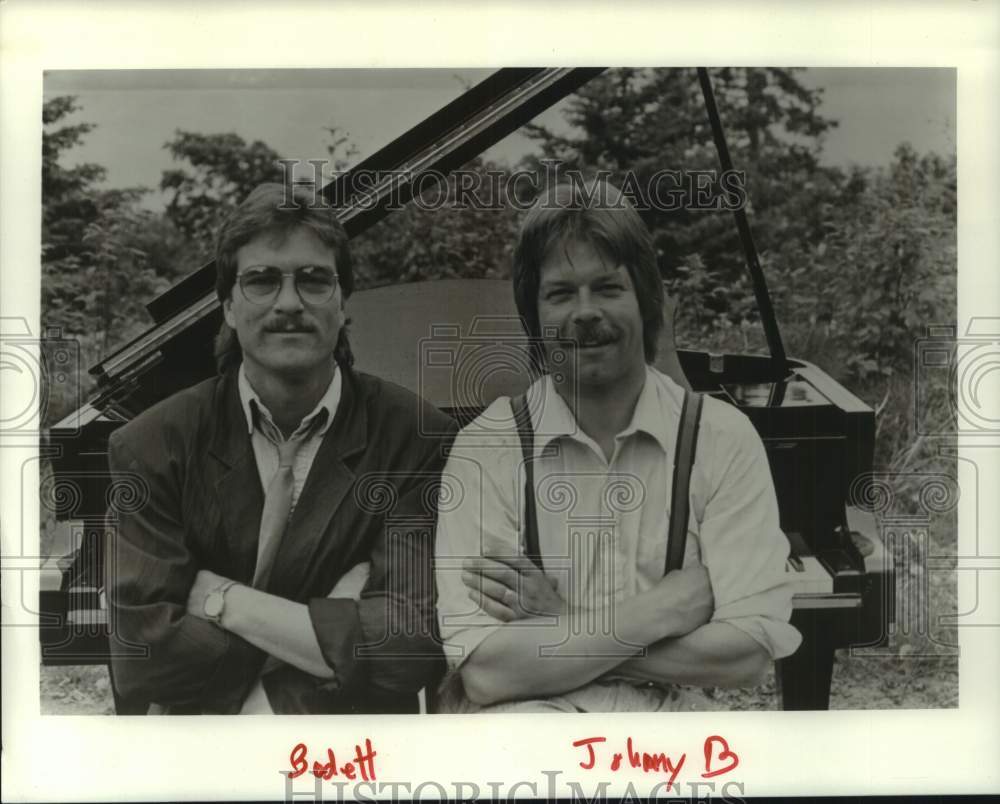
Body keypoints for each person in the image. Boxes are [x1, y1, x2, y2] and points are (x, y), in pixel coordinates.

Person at [433, 178, 801, 712]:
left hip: (672, 722)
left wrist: (560, 621)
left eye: (607, 288)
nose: (585, 312)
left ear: (646, 302)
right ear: (534, 319)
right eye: (561, 293)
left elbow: (744, 657)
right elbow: (488, 672)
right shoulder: (486, 448)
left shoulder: (722, 437)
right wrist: (663, 613)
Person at [105, 182, 455, 714]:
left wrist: (224, 602)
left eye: (314, 280)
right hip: (202, 747)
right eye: (262, 281)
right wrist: (332, 621)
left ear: (343, 303)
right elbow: (146, 659)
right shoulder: (152, 443)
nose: (289, 303)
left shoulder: (413, 436)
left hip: (349, 752)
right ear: (226, 305)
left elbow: (408, 650)